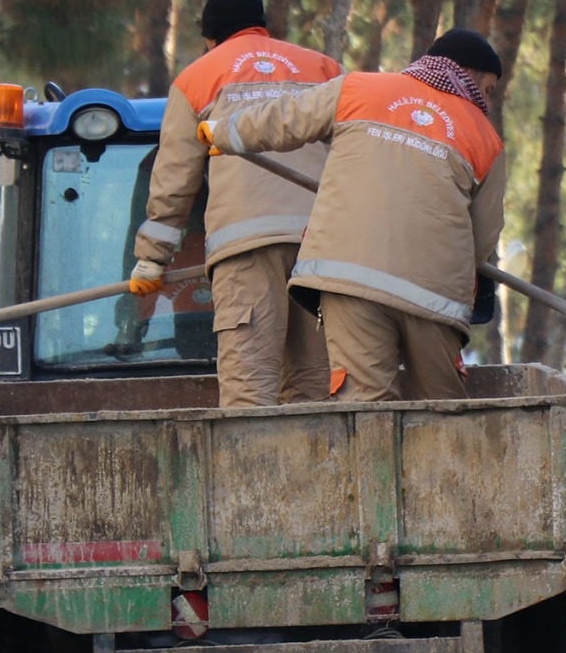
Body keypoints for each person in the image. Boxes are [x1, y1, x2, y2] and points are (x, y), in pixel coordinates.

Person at [203, 28, 506, 403]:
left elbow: (284, 120)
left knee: (365, 408)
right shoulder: (487, 139)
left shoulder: (357, 89)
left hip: (349, 282)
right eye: (488, 90)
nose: (487, 103)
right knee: (442, 409)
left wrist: (222, 133)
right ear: (467, 74)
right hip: (433, 299)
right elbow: (483, 237)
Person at [128, 0, 342, 407]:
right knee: (316, 388)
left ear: (210, 37)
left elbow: (175, 179)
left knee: (250, 391)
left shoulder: (198, 77)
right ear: (261, 25)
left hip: (246, 250)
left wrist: (152, 259)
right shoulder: (325, 70)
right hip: (321, 247)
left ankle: (253, 473)